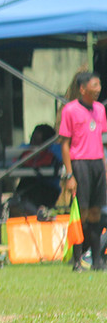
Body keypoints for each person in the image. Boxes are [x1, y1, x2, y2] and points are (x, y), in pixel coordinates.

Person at [59, 71, 107, 271]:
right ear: (82, 88)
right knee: (81, 213)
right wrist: (69, 174)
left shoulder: (99, 110)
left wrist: (104, 167)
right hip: (80, 164)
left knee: (97, 212)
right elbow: (65, 144)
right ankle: (77, 259)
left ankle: (97, 259)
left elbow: (100, 140)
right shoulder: (70, 110)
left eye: (99, 85)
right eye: (94, 85)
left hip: (97, 163)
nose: (98, 89)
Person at [11, 123, 62, 214]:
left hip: (47, 189)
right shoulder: (26, 150)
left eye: (37, 141)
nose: (33, 144)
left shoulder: (54, 152)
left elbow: (60, 155)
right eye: (32, 139)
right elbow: (14, 158)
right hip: (28, 185)